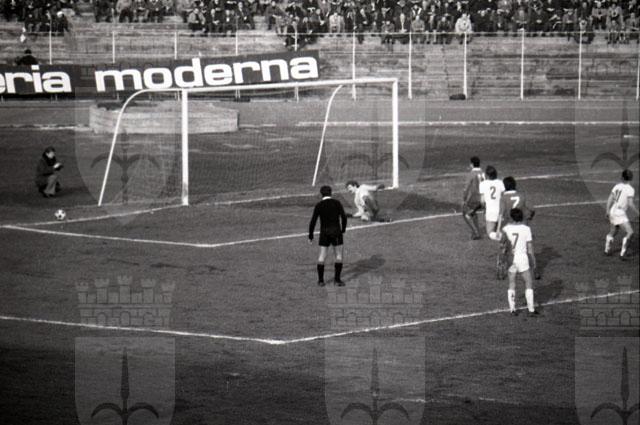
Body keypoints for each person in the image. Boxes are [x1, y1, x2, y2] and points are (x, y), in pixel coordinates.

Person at [501, 208, 539, 316]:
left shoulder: (506, 229)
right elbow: (530, 248)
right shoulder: (526, 229)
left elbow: (502, 245)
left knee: (512, 283)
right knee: (528, 282)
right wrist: (533, 262)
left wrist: (503, 259)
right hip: (522, 258)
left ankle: (512, 309)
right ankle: (531, 310)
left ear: (511, 217)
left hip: (511, 258)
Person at [308, 185, 348, 286]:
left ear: (321, 194)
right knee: (338, 255)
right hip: (336, 232)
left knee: (322, 256)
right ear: (331, 193)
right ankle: (337, 280)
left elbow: (313, 221)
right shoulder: (337, 203)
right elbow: (344, 217)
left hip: (324, 233)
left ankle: (321, 281)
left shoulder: (319, 205)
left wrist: (311, 236)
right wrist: (343, 229)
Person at [605, 169, 638, 258]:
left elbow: (610, 198)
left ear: (622, 177)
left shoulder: (617, 186)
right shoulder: (630, 189)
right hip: (620, 212)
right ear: (631, 178)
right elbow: (630, 204)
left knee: (614, 230)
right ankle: (623, 253)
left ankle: (607, 249)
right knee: (630, 232)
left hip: (613, 210)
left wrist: (607, 210)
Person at [479, 165, 505, 240]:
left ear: (487, 175)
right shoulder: (500, 182)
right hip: (500, 209)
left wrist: (484, 208)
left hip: (490, 210)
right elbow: (504, 196)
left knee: (490, 233)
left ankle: (505, 239)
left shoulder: (482, 184)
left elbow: (482, 201)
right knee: (500, 229)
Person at [462, 156, 485, 240]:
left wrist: (464, 199)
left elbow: (466, 188)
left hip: (475, 198)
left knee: (465, 212)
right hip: (484, 197)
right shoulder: (483, 172)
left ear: (472, 164)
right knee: (473, 212)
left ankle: (476, 232)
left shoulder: (471, 174)